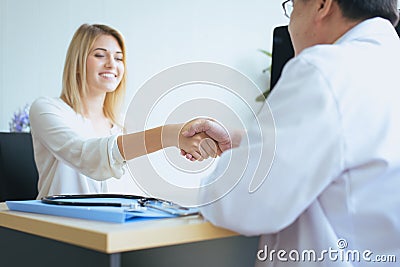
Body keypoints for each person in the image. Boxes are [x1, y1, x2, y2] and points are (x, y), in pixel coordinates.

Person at [184, 0, 400, 266]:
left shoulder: (325, 69)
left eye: (293, 6)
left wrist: (221, 177)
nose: (291, 21)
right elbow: (349, 151)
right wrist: (247, 143)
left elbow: (241, 203)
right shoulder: (385, 65)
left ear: (322, 5)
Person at [29, 24, 218, 199]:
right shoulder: (47, 110)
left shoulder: (124, 124)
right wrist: (168, 135)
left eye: (118, 58)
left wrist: (191, 139)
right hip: (61, 227)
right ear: (77, 62)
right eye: (100, 55)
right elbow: (86, 156)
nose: (112, 64)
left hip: (116, 228)